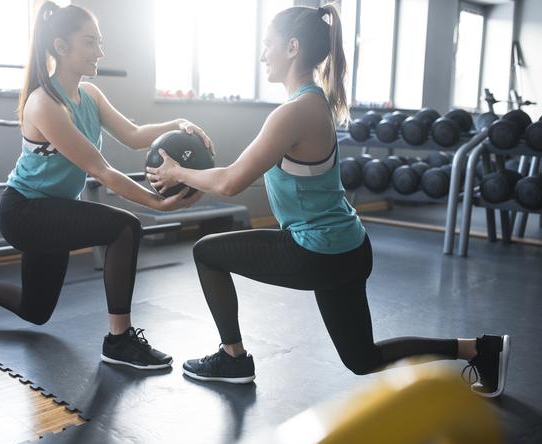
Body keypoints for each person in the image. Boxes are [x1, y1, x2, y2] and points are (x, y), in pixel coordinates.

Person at [146, 4, 510, 396]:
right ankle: (479, 349)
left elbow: (233, 180)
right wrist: (199, 178)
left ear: (292, 47)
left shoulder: (294, 111)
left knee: (206, 253)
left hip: (316, 251)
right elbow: (243, 176)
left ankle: (233, 358)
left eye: (267, 44)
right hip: (348, 248)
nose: (262, 53)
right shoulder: (312, 102)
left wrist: (177, 173)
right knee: (362, 359)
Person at [0, 2, 212, 371]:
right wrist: (157, 204)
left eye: (99, 42)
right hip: (25, 212)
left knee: (35, 310)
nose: (99, 51)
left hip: (52, 210)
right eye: (90, 42)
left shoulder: (91, 96)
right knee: (124, 227)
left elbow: (133, 136)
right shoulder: (45, 104)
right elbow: (101, 171)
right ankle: (118, 340)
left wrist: (178, 123)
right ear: (60, 46)